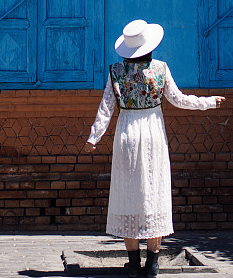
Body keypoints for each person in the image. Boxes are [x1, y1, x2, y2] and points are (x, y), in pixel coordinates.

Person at [84, 19, 225, 278]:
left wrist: (94, 137)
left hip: (127, 135)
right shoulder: (160, 69)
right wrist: (208, 102)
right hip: (153, 137)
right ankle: (153, 264)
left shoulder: (116, 71)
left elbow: (106, 107)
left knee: (128, 195)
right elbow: (179, 99)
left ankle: (134, 263)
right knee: (154, 194)